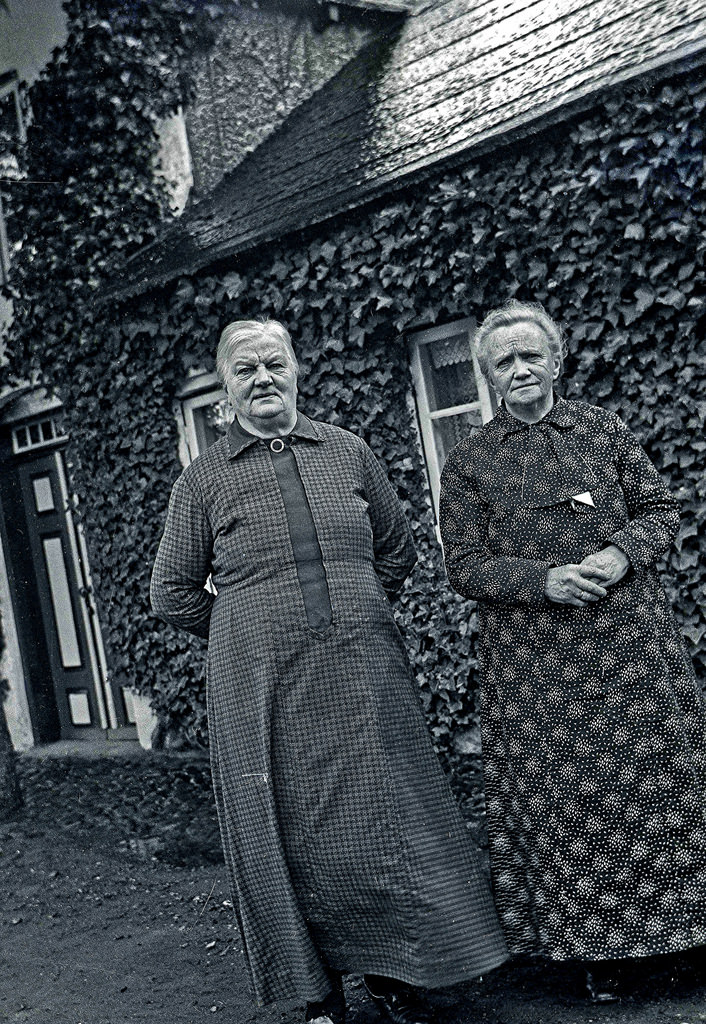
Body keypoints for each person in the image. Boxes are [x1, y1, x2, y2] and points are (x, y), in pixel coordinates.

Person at [151, 319, 507, 1024]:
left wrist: (350, 608)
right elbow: (173, 593)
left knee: (387, 815)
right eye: (246, 369)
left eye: (274, 364)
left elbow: (397, 552)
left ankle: (399, 969)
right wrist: (247, 633)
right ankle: (317, 991)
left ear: (296, 370)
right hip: (262, 690)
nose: (263, 380)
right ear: (225, 387)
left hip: (364, 671)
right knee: (287, 826)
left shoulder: (348, 451)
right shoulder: (203, 480)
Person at [439, 299, 706, 1002]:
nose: (521, 368)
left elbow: (660, 510)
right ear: (489, 377)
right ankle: (602, 957)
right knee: (571, 799)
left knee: (664, 781)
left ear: (558, 359)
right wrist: (545, 580)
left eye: (532, 355)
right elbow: (463, 565)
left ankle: (688, 939)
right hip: (536, 668)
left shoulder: (603, 429)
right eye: (505, 361)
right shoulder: (469, 462)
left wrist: (619, 555)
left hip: (630, 648)